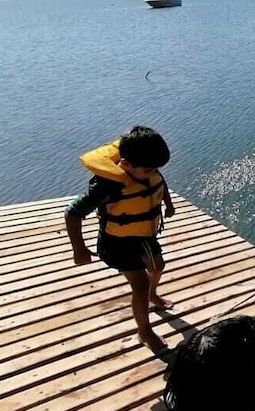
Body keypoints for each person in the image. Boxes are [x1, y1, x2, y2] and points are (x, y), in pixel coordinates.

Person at [65, 125, 176, 356]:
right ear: (125, 164)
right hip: (117, 244)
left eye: (155, 168)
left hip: (144, 236)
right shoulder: (108, 185)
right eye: (148, 170)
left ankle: (152, 295)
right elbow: (73, 213)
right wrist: (79, 249)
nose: (153, 172)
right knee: (140, 284)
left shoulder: (148, 169)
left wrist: (168, 202)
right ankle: (144, 331)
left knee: (158, 266)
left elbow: (159, 181)